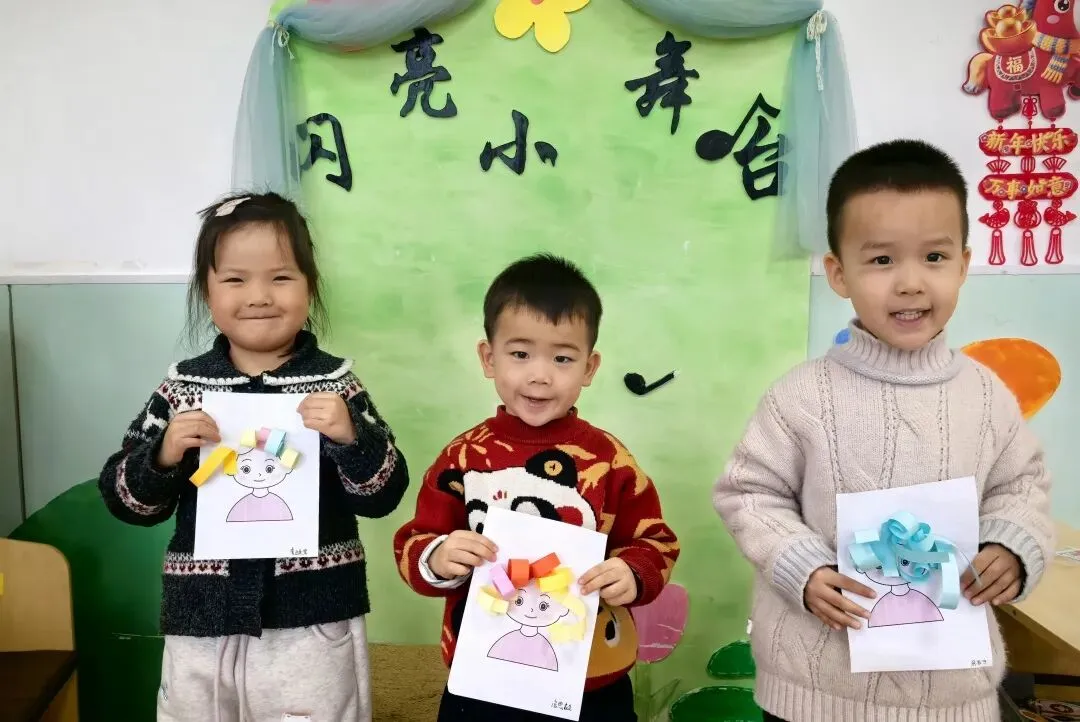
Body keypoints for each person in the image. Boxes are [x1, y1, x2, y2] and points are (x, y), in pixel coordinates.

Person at [713, 139, 1055, 722]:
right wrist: (801, 565)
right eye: (881, 261)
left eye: (934, 257)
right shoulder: (801, 396)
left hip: (952, 696)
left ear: (964, 265)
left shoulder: (986, 396)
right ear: (838, 273)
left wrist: (1012, 544)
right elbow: (749, 492)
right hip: (811, 695)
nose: (910, 283)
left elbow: (1022, 486)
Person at [98, 192, 409, 722]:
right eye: (236, 279)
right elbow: (127, 501)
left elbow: (384, 495)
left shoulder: (336, 385)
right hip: (202, 616)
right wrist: (164, 455)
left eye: (281, 277)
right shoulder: (182, 389)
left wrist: (351, 437)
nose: (259, 296)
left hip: (314, 614)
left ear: (310, 285)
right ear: (207, 292)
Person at [393, 253, 680, 722]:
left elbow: (657, 542)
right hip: (483, 674)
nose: (540, 375)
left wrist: (632, 572)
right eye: (520, 354)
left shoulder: (610, 461)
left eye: (562, 358)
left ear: (589, 367)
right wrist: (439, 556)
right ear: (489, 358)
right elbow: (414, 543)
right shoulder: (462, 458)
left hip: (591, 678)